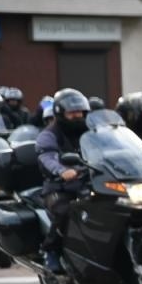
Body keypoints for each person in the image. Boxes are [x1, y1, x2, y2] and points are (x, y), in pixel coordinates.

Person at [35, 88, 93, 272]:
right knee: (65, 211)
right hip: (59, 187)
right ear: (61, 113)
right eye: (72, 112)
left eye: (80, 111)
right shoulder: (50, 134)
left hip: (88, 181)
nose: (77, 115)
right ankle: (50, 251)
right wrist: (61, 170)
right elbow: (47, 157)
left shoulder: (91, 130)